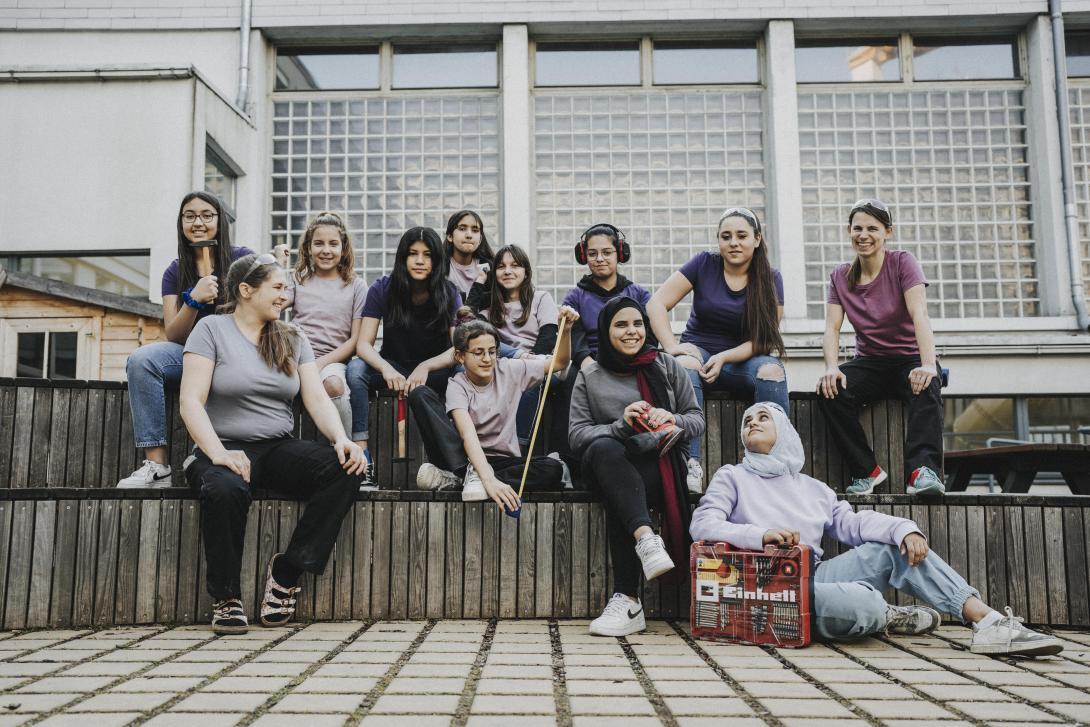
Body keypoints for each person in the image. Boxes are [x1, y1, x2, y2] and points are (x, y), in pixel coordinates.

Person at [690, 402, 1062, 657]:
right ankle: (886, 614)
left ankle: (988, 622)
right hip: (762, 588)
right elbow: (702, 525)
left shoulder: (814, 489)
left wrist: (903, 528)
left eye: (762, 417)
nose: (751, 422)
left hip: (814, 576)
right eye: (746, 421)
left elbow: (852, 524)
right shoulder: (733, 476)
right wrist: (761, 534)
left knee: (890, 548)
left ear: (784, 432)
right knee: (863, 601)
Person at [179, 253, 365, 635]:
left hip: (277, 446)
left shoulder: (292, 337)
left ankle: (287, 572)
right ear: (246, 290)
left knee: (344, 469)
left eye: (287, 289)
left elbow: (315, 398)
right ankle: (227, 598)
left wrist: (342, 439)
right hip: (222, 445)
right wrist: (218, 453)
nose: (286, 296)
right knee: (225, 490)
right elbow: (190, 402)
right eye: (278, 288)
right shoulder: (211, 330)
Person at [570, 298, 704, 637]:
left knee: (625, 494)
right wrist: (621, 426)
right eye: (621, 325)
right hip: (604, 464)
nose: (632, 332)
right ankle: (646, 540)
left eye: (637, 324)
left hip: (657, 465)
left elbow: (697, 419)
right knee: (605, 450)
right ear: (605, 330)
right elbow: (576, 435)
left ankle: (628, 600)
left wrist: (671, 418)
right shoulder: (590, 375)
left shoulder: (667, 366)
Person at [118, 191, 253, 488]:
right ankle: (157, 465)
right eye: (189, 216)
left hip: (237, 357)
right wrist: (193, 300)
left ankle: (205, 453)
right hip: (193, 357)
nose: (198, 222)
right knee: (142, 360)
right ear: (181, 223)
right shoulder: (176, 271)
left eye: (207, 215)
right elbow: (174, 334)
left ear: (221, 221)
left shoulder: (243, 259)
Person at [647, 207, 787, 494]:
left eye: (741, 235)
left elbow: (766, 338)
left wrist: (725, 357)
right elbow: (655, 304)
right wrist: (672, 347)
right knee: (684, 365)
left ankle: (773, 462)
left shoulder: (771, 278)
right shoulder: (704, 264)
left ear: (757, 239)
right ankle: (690, 464)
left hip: (745, 359)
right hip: (699, 353)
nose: (733, 242)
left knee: (772, 370)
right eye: (726, 236)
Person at [817, 198, 945, 497]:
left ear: (887, 232)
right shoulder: (840, 275)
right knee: (830, 392)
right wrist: (832, 368)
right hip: (871, 361)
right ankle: (867, 471)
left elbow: (919, 314)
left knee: (927, 385)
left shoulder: (902, 263)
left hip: (909, 357)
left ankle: (922, 472)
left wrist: (928, 365)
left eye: (872, 228)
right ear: (849, 231)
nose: (864, 235)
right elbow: (832, 327)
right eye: (858, 228)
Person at [409, 310, 577, 502]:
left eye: (492, 351)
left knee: (552, 468)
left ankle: (458, 481)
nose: (488, 359)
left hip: (503, 462)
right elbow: (467, 435)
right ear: (460, 356)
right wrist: (486, 477)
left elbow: (559, 363)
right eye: (478, 353)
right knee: (420, 394)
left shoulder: (510, 369)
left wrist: (566, 331)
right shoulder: (457, 385)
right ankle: (469, 475)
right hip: (463, 458)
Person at [348, 227, 462, 465]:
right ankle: (362, 453)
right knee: (355, 370)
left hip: (434, 372)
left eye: (427, 254)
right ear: (403, 257)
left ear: (437, 260)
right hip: (393, 368)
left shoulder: (449, 292)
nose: (420, 261)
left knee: (463, 372)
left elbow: (458, 348)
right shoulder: (382, 288)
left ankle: (464, 452)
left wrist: (427, 366)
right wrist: (386, 369)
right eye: (413, 253)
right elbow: (363, 345)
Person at [279, 212, 373, 487]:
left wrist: (318, 366)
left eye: (333, 244)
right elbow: (271, 299)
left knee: (333, 384)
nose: (326, 250)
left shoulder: (356, 286)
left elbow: (355, 340)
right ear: (308, 247)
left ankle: (350, 457)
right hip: (294, 356)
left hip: (333, 359)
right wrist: (279, 264)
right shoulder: (298, 280)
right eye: (319, 243)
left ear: (344, 249)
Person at [553, 223, 652, 473]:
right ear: (584, 256)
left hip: (631, 360)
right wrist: (586, 361)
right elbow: (573, 334)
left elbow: (648, 332)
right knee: (571, 380)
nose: (599, 259)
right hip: (591, 362)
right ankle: (570, 463)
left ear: (619, 253)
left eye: (606, 252)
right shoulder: (575, 295)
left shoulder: (638, 293)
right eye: (593, 253)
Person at [484, 244, 560, 442]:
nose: (508, 271)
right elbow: (482, 342)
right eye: (501, 266)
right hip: (500, 365)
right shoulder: (487, 309)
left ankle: (518, 446)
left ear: (526, 272)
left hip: (538, 362)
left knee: (529, 374)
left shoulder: (541, 298)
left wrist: (528, 362)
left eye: (515, 265)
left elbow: (549, 336)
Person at [444, 209, 494, 300]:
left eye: (475, 230)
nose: (469, 235)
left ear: (480, 239)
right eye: (462, 229)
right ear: (450, 236)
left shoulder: (491, 268)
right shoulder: (439, 267)